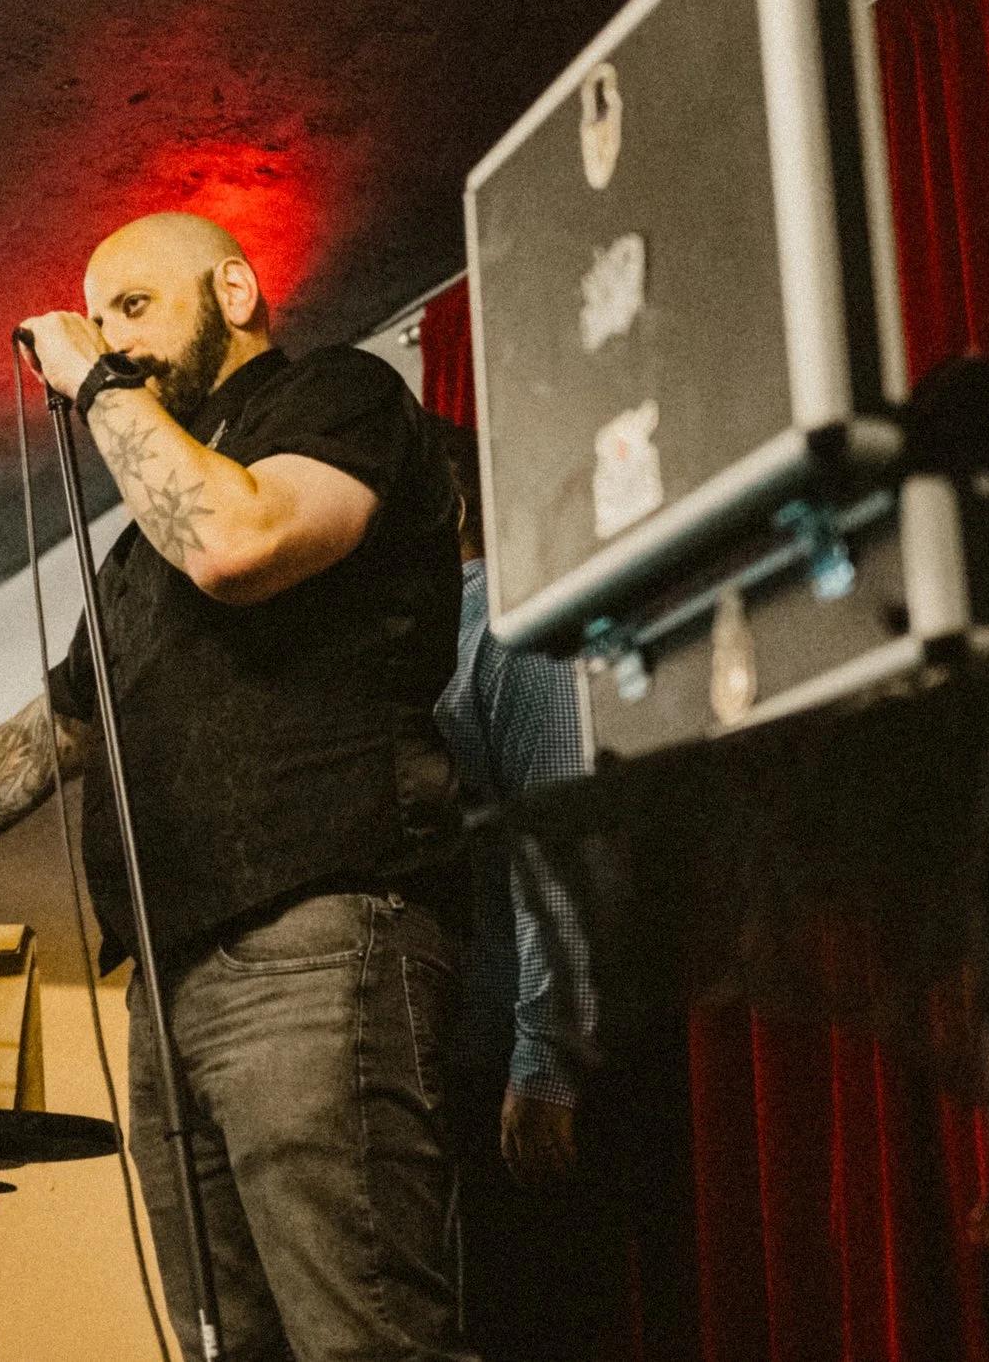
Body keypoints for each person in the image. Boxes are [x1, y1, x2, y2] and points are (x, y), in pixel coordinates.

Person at [0, 211, 474, 1362]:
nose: (114, 339)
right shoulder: (137, 550)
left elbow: (237, 544)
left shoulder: (337, 401)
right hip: (167, 972)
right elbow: (47, 737)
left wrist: (94, 383)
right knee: (222, 1341)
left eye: (136, 307)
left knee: (368, 1336)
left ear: (237, 292)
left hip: (315, 941)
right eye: (98, 321)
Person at [431, 418, 611, 1362]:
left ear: (448, 506)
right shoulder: (423, 638)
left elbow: (561, 841)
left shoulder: (503, 621)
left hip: (520, 1061)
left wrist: (544, 1060)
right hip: (468, 1061)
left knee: (538, 1321)